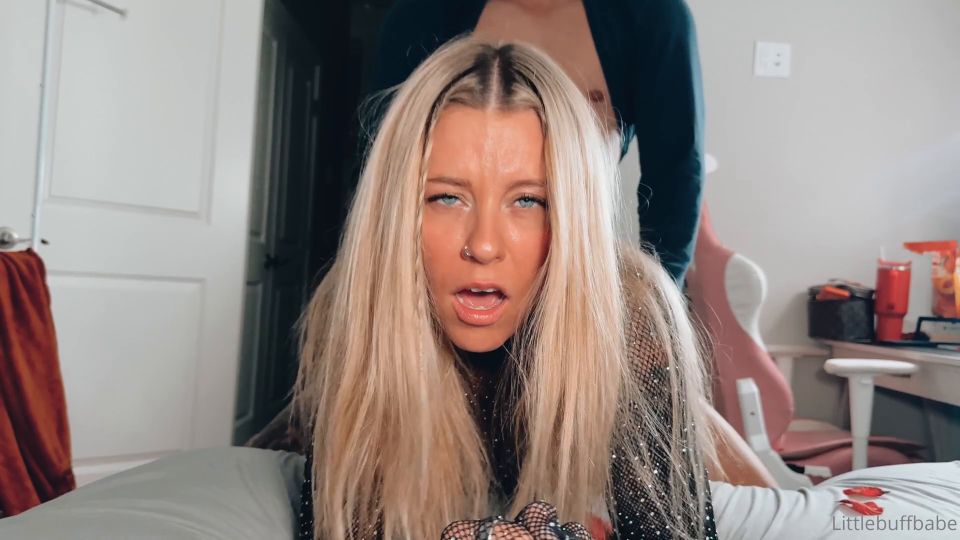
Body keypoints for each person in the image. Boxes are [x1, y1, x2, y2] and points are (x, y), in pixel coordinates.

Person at [289, 38, 731, 539]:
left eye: (528, 201)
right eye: (447, 197)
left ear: (574, 216)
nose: (483, 245)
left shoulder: (633, 317)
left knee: (736, 462)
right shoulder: (353, 306)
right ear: (397, 210)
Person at [366, 0, 705, 283]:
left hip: (576, 286)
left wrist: (654, 306)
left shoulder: (652, 16)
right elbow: (378, 175)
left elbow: (676, 177)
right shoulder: (420, 15)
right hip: (446, 283)